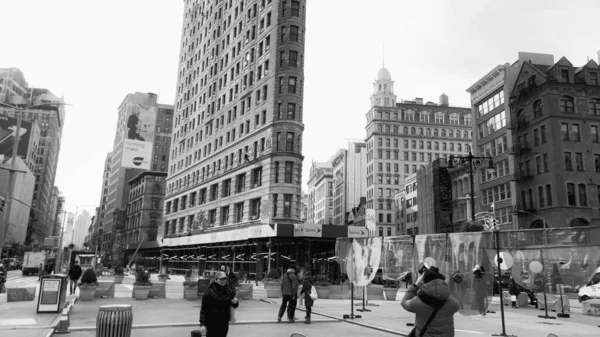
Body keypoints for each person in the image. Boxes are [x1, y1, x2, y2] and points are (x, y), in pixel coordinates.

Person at [401, 266, 459, 337]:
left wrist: (416, 284)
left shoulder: (418, 302)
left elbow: (404, 302)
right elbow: (456, 306)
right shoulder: (451, 302)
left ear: (424, 282)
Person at [199, 271, 238, 337]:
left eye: (225, 279)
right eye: (221, 279)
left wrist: (235, 302)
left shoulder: (228, 290)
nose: (223, 281)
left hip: (224, 322)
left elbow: (233, 304)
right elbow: (204, 308)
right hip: (212, 323)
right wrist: (202, 324)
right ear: (216, 280)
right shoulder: (209, 291)